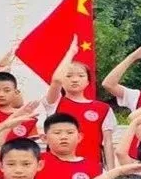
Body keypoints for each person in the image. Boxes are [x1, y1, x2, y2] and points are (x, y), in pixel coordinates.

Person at [44, 37, 116, 171]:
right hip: (56, 167)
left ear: (88, 81)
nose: (75, 80)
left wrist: (111, 173)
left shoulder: (103, 109)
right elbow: (56, 80)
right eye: (69, 76)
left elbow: (107, 142)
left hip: (91, 168)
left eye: (81, 76)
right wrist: (71, 53)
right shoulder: (54, 103)